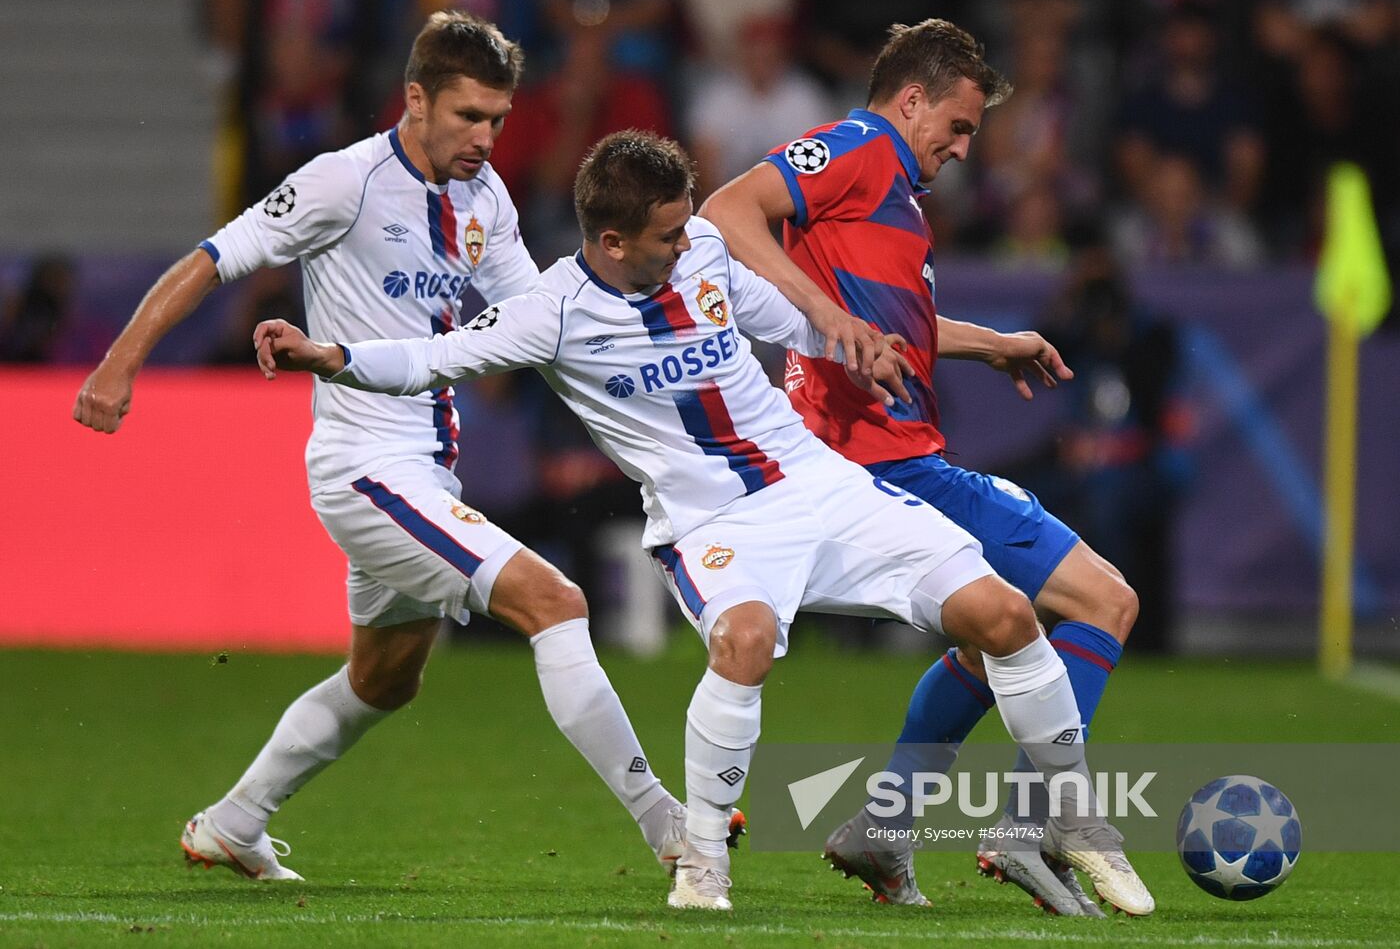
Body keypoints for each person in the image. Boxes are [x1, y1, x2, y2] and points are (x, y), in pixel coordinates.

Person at [251, 129, 1152, 914]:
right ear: (610, 241)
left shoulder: (710, 257)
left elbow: (806, 325)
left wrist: (897, 341)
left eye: (690, 223)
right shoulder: (551, 313)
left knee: (1006, 616)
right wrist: (327, 353)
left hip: (818, 485)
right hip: (711, 523)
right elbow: (432, 357)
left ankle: (1072, 817)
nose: (692, 241)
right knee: (746, 642)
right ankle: (703, 868)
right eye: (670, 233)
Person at [71, 11, 694, 883]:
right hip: (365, 471)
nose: (485, 137)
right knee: (554, 601)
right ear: (415, 99)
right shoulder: (343, 183)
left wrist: (653, 408)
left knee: (384, 680)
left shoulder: (488, 199)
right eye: (468, 116)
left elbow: (536, 324)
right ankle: (670, 826)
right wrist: (117, 368)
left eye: (499, 120)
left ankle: (232, 821)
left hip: (427, 469)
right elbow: (214, 258)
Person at [699, 18, 1154, 916]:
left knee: (997, 637)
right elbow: (726, 211)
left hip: (881, 460)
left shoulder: (892, 193)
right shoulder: (863, 146)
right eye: (958, 124)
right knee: (1103, 599)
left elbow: (889, 328)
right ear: (911, 100)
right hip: (884, 462)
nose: (962, 146)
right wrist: (829, 319)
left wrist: (989, 343)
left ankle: (885, 825)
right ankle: (1033, 823)